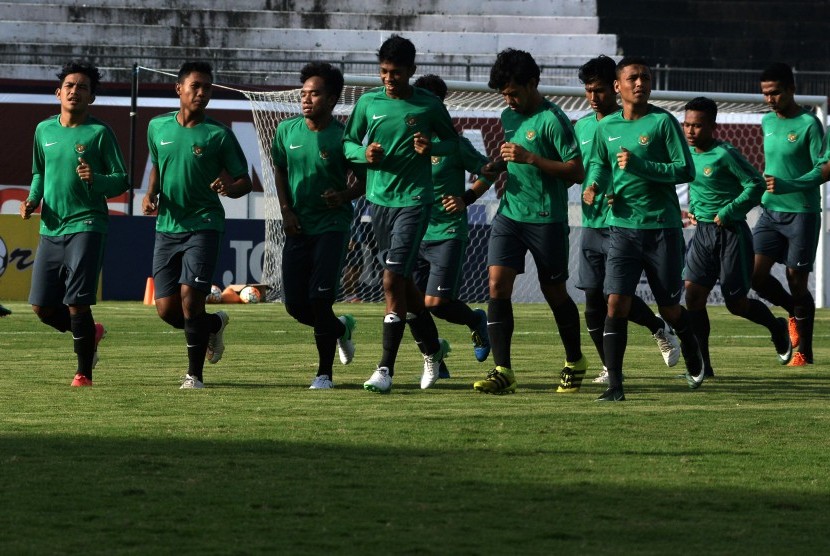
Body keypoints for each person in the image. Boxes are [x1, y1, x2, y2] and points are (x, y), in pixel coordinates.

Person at [343, 35, 459, 393]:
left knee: (391, 280)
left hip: (415, 201)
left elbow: (452, 141)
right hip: (378, 202)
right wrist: (365, 156)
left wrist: (432, 147)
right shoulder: (367, 103)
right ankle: (432, 352)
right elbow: (347, 143)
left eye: (395, 72)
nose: (388, 78)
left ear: (411, 71)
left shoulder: (426, 105)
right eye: (383, 72)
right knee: (406, 288)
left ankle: (385, 370)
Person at [585, 57, 703, 402]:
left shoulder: (662, 122)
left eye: (646, 78)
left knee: (668, 307)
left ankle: (690, 346)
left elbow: (685, 170)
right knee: (616, 303)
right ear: (618, 86)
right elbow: (598, 166)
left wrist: (640, 165)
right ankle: (615, 386)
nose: (640, 83)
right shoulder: (606, 127)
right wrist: (593, 187)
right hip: (621, 228)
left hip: (662, 229)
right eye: (633, 78)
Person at [472, 48, 587, 395]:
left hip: (546, 219)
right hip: (510, 214)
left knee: (555, 294)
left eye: (514, 93)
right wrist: (488, 177)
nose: (509, 100)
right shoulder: (510, 117)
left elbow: (576, 171)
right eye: (504, 94)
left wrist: (532, 158)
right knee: (496, 287)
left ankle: (575, 361)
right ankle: (503, 370)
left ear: (533, 83)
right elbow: (511, 159)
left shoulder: (553, 120)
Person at [142, 61, 252, 389]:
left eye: (208, 87)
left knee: (191, 298)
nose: (202, 93)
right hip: (167, 226)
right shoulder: (157, 127)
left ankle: (194, 377)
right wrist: (150, 195)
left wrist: (228, 188)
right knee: (166, 310)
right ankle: (214, 326)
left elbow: (245, 181)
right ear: (179, 89)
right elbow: (157, 167)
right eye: (196, 86)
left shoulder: (219, 135)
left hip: (204, 225)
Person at [20, 61, 128, 387]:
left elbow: (121, 179)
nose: (75, 91)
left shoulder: (99, 133)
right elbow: (39, 173)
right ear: (58, 93)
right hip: (51, 227)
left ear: (91, 97)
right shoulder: (43, 131)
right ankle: (91, 334)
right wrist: (32, 199)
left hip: (88, 223)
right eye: (70, 85)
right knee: (41, 307)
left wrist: (96, 180)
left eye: (82, 87)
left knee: (77, 301)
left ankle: (84, 374)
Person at [682, 96, 793, 375]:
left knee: (736, 304)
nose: (690, 131)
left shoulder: (725, 154)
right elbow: (696, 189)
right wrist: (694, 209)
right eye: (686, 125)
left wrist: (729, 210)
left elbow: (755, 185)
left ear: (712, 126)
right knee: (693, 296)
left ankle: (776, 327)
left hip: (731, 234)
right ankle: (704, 366)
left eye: (697, 126)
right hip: (703, 234)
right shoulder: (688, 155)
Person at [272, 62, 364, 389]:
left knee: (319, 299)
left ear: (333, 99)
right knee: (295, 306)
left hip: (332, 226)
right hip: (298, 225)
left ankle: (324, 373)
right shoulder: (286, 131)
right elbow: (280, 170)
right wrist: (286, 211)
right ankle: (340, 329)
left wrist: (342, 196)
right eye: (304, 93)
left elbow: (363, 182)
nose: (307, 99)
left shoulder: (344, 138)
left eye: (315, 93)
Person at [412, 74, 492, 369]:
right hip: (413, 232)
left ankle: (476, 320)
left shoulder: (454, 144)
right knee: (411, 305)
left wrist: (466, 198)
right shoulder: (405, 142)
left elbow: (488, 171)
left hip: (447, 231)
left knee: (436, 304)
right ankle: (434, 355)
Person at [752, 63, 824, 367]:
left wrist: (790, 184)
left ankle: (804, 353)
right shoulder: (767, 122)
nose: (770, 99)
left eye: (776, 92)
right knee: (753, 274)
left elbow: (825, 168)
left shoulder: (809, 123)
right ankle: (791, 313)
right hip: (770, 211)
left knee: (797, 281)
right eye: (765, 94)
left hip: (802, 212)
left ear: (791, 90)